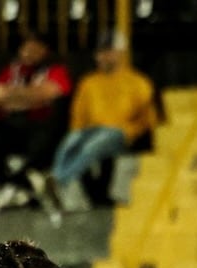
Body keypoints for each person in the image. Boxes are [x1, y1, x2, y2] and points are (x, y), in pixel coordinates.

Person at [43, 35, 155, 214]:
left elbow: (146, 116)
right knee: (71, 141)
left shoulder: (137, 82)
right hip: (92, 129)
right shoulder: (89, 82)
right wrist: (77, 132)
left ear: (120, 54)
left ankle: (59, 180)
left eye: (109, 52)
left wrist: (133, 132)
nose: (105, 57)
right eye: (101, 53)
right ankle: (55, 180)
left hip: (121, 131)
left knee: (95, 143)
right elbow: (78, 114)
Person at [0, 33, 72, 211]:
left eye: (34, 49)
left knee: (45, 140)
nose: (29, 53)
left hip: (44, 126)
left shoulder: (56, 70)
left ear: (44, 50)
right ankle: (18, 188)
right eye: (26, 49)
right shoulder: (12, 70)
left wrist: (14, 96)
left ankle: (15, 187)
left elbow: (53, 92)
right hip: (14, 126)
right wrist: (33, 96)